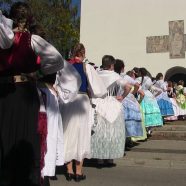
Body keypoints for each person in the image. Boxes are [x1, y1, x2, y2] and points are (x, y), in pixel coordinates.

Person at [0, 2, 64, 186]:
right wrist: (39, 71)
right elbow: (57, 61)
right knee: (23, 139)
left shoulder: (6, 36)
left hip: (6, 94)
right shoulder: (33, 40)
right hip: (22, 94)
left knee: (6, 139)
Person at [61, 43, 106, 182]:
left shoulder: (65, 66)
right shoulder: (87, 67)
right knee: (82, 134)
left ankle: (68, 171)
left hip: (68, 102)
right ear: (83, 53)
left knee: (68, 133)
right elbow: (99, 90)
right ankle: (78, 172)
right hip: (81, 100)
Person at [91, 55, 129, 167]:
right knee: (112, 132)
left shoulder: (97, 74)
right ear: (112, 65)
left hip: (98, 103)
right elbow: (128, 87)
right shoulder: (115, 76)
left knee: (99, 132)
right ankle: (110, 158)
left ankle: (99, 158)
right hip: (112, 103)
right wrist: (122, 97)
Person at [135, 68, 163, 135]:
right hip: (149, 96)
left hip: (141, 95)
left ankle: (143, 130)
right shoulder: (148, 79)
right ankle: (149, 130)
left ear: (140, 73)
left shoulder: (137, 79)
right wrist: (154, 96)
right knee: (150, 112)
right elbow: (153, 88)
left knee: (142, 112)